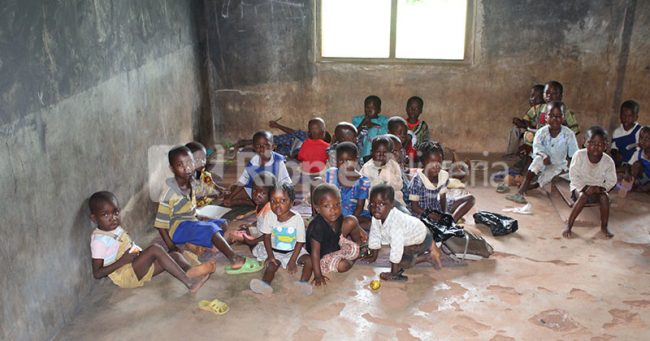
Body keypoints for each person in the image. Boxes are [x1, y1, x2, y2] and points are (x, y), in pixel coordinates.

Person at [155, 146, 256, 273]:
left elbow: (205, 190)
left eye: (189, 162)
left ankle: (209, 246)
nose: (187, 168)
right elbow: (160, 225)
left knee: (223, 223)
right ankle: (234, 258)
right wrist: (171, 247)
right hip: (177, 228)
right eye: (180, 165)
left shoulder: (191, 182)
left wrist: (221, 192)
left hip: (191, 221)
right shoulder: (169, 193)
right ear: (172, 168)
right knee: (211, 229)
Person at [90, 191, 214, 291]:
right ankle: (189, 282)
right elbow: (97, 273)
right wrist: (124, 260)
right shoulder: (99, 241)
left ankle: (190, 271)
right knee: (155, 249)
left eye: (116, 212)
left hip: (135, 266)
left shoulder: (114, 228)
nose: (113, 218)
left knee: (174, 255)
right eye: (105, 215)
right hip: (126, 275)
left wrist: (137, 255)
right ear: (94, 218)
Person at [364, 184, 442, 281]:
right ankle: (427, 257)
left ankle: (427, 257)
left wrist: (393, 273)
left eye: (381, 204)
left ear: (392, 204)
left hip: (422, 238)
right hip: (409, 236)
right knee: (398, 258)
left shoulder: (396, 222)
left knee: (402, 263)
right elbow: (375, 234)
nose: (376, 208)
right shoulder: (377, 216)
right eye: (372, 204)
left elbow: (397, 248)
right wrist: (373, 255)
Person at [506, 101, 579, 204]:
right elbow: (537, 148)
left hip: (558, 165)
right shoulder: (541, 132)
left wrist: (574, 171)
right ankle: (520, 192)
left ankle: (530, 186)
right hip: (543, 159)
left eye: (558, 116)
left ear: (563, 118)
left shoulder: (569, 134)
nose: (555, 119)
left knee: (546, 177)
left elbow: (574, 155)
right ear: (546, 118)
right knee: (537, 161)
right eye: (551, 115)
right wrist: (544, 155)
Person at [249, 183, 313, 295]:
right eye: (273, 201)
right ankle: (265, 284)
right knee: (271, 265)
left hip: (293, 251)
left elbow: (300, 242)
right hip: (274, 251)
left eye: (283, 201)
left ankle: (303, 283)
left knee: (309, 260)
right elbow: (267, 236)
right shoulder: (269, 216)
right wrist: (270, 255)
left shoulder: (297, 219)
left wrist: (293, 260)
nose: (277, 205)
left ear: (292, 202)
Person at [306, 184, 367, 286]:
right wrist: (318, 275)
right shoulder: (317, 227)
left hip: (335, 242)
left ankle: (360, 245)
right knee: (343, 266)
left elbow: (346, 223)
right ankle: (355, 258)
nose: (333, 209)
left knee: (352, 220)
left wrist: (360, 229)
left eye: (337, 204)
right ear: (317, 208)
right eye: (327, 206)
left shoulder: (336, 215)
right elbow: (315, 253)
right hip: (322, 255)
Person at [563, 127, 617, 239]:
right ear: (585, 143)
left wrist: (601, 189)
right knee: (583, 196)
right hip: (579, 189)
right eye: (592, 142)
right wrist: (584, 188)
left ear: (606, 145)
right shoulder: (579, 156)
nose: (596, 146)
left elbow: (612, 180)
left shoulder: (608, 161)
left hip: (597, 189)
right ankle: (569, 226)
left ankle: (604, 226)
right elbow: (573, 175)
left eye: (600, 143)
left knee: (605, 198)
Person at [409, 141, 475, 222]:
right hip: (422, 211)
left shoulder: (443, 175)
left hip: (436, 206)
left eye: (439, 162)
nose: (436, 166)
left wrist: (445, 214)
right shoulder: (417, 180)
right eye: (432, 162)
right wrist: (431, 215)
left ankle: (451, 222)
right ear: (423, 162)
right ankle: (443, 223)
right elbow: (415, 207)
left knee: (470, 199)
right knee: (423, 225)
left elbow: (442, 199)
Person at [224, 131, 292, 207]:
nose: (262, 148)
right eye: (258, 146)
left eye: (266, 145)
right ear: (254, 148)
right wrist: (230, 197)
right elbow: (242, 181)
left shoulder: (278, 161)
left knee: (276, 200)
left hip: (271, 192)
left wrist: (288, 196)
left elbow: (286, 182)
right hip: (254, 191)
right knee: (231, 193)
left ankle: (246, 202)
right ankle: (251, 202)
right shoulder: (253, 162)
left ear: (273, 147)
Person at [322, 142, 372, 228]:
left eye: (348, 161)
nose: (344, 164)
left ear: (356, 160)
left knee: (369, 221)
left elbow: (360, 206)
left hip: (352, 214)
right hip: (332, 210)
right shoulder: (331, 174)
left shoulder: (362, 182)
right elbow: (324, 196)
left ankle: (345, 226)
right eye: (340, 160)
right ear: (336, 160)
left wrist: (351, 219)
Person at [360, 135, 406, 206]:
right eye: (378, 152)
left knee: (405, 213)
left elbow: (399, 185)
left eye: (385, 153)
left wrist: (386, 174)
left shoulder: (394, 165)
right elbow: (362, 188)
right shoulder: (367, 168)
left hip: (393, 201)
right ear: (371, 152)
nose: (381, 155)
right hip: (374, 202)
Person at [507, 84, 545, 156]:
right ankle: (511, 153)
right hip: (531, 131)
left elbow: (541, 130)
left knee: (527, 136)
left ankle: (524, 155)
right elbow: (526, 120)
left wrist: (525, 126)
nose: (531, 98)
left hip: (540, 135)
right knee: (516, 130)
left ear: (543, 98)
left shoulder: (545, 110)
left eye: (533, 96)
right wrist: (520, 122)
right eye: (531, 96)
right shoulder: (533, 109)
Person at [185, 141, 226, 207]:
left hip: (207, 204)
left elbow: (213, 186)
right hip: (195, 209)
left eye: (203, 158)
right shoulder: (187, 181)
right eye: (197, 159)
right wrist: (214, 196)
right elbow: (194, 200)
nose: (202, 162)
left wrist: (221, 190)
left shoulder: (205, 175)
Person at [352, 95, 389, 162]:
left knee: (373, 130)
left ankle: (370, 156)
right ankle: (365, 157)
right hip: (360, 151)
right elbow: (353, 134)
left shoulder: (384, 120)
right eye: (367, 107)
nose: (369, 110)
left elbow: (386, 133)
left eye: (373, 107)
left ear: (379, 110)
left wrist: (373, 125)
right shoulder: (358, 120)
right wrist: (362, 124)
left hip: (378, 150)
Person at [611, 100, 642, 167]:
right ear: (620, 115)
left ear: (636, 117)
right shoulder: (617, 132)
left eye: (630, 116)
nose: (626, 118)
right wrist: (616, 153)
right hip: (619, 163)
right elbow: (613, 147)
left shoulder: (640, 131)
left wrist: (630, 164)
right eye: (624, 115)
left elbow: (640, 151)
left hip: (634, 165)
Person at [626, 126, 650, 192]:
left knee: (645, 188)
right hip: (643, 177)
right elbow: (629, 165)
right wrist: (628, 174)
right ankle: (633, 183)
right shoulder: (638, 153)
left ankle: (643, 187)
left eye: (647, 138)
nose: (643, 141)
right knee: (636, 164)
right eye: (641, 138)